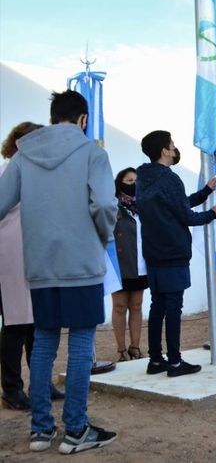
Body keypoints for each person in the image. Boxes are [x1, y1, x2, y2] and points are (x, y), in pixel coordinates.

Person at [0, 91, 118, 453]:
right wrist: (102, 235)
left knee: (44, 343)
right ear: (83, 119)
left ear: (52, 117)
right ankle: (76, 430)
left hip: (40, 264)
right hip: (80, 263)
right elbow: (103, 203)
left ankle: (40, 431)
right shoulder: (92, 153)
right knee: (81, 343)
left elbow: (2, 203)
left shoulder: (23, 156)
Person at [136, 130, 216, 377]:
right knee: (173, 308)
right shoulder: (170, 179)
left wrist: (205, 191)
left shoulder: (144, 178)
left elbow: (176, 205)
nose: (175, 149)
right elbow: (185, 215)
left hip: (153, 253)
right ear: (164, 150)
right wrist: (212, 214)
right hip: (173, 253)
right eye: (172, 145)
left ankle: (155, 360)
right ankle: (174, 362)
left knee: (158, 306)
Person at [0, 122, 65, 412]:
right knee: (16, 326)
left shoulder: (36, 173)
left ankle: (40, 383)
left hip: (36, 257)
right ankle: (11, 389)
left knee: (38, 325)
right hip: (11, 258)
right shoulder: (6, 172)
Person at [111, 167, 148, 361]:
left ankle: (135, 347)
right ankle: (121, 350)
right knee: (119, 306)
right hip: (120, 263)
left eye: (136, 180)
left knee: (137, 305)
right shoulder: (113, 206)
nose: (133, 184)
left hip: (141, 263)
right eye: (128, 180)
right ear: (120, 183)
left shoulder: (143, 205)